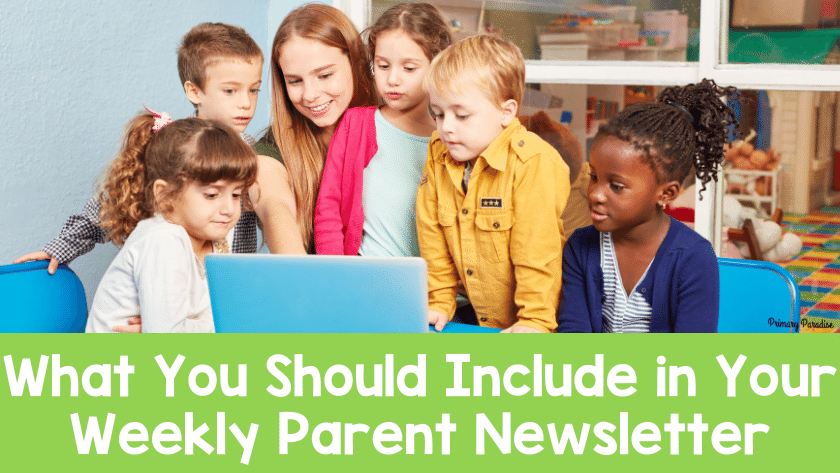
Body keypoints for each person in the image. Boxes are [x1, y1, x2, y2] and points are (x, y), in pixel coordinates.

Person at [15, 22, 273, 272]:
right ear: (194, 91)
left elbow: (272, 212)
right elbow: (110, 206)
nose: (245, 103)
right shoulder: (175, 145)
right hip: (172, 285)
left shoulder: (254, 155)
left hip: (226, 289)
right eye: (230, 91)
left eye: (254, 91)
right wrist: (62, 247)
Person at [557, 79, 739, 333]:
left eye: (616, 186)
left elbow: (691, 360)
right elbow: (572, 337)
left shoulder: (694, 258)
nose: (596, 194)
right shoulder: (580, 247)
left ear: (666, 194)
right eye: (594, 177)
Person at [417, 35, 570, 334]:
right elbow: (431, 233)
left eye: (461, 115)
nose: (446, 126)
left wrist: (534, 321)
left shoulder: (533, 163)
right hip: (473, 319)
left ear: (506, 112)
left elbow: (537, 252)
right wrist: (438, 300)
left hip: (526, 322)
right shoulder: (438, 149)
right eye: (438, 114)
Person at [85, 111, 257, 333]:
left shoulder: (217, 236)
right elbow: (168, 340)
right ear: (165, 195)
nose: (228, 209)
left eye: (236, 195)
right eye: (212, 195)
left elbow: (219, 316)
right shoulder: (164, 239)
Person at [314, 2, 452, 257]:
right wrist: (334, 275)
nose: (392, 79)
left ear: (437, 64)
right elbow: (328, 210)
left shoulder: (451, 137)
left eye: (409, 68)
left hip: (434, 291)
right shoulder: (355, 124)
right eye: (383, 65)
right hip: (363, 282)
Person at [255, 3, 379, 253]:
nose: (310, 95)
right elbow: (274, 209)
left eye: (324, 75)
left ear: (355, 63)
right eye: (295, 81)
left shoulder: (389, 127)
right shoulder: (271, 149)